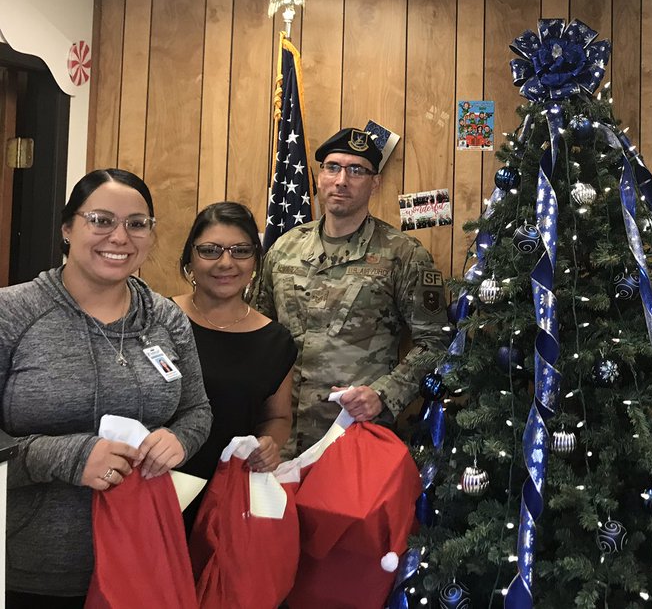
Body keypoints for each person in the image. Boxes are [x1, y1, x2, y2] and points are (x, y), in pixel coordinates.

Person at [0, 168, 212, 607]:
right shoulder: (12, 313)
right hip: (29, 570)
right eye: (100, 220)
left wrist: (178, 439)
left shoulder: (166, 318)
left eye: (137, 224)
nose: (119, 237)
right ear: (67, 228)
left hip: (141, 561)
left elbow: (197, 410)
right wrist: (69, 457)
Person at [257, 127, 450, 454]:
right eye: (332, 167)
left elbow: (436, 342)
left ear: (375, 183)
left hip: (353, 436)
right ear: (320, 177)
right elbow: (256, 332)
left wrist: (383, 395)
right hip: (278, 439)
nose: (341, 180)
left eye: (356, 170)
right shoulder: (283, 249)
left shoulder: (403, 255)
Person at [172, 202, 297, 527]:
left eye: (240, 251)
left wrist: (270, 444)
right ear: (190, 259)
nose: (226, 262)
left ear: (255, 261)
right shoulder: (160, 319)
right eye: (210, 250)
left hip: (228, 501)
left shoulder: (276, 341)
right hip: (155, 489)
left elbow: (278, 417)